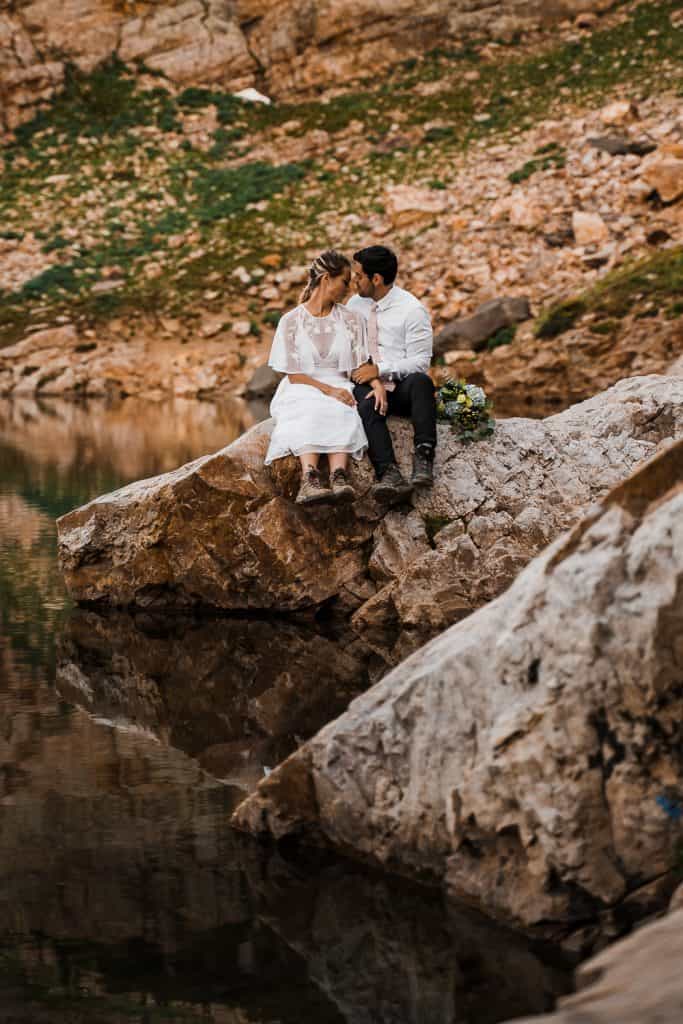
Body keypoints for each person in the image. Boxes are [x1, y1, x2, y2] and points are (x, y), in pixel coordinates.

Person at [265, 249, 382, 506]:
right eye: (344, 281)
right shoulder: (291, 320)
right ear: (326, 279)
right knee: (308, 406)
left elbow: (360, 363)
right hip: (302, 384)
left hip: (340, 381)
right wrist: (327, 390)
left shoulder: (351, 319)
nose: (349, 288)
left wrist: (376, 384)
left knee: (344, 407)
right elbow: (293, 374)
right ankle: (309, 479)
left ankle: (339, 477)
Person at [347, 245, 437, 501]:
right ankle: (388, 472)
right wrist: (373, 378)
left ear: (376, 279)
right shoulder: (354, 305)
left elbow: (420, 362)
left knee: (422, 382)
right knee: (365, 402)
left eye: (359, 276)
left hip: (401, 388)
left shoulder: (412, 309)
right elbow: (348, 348)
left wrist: (382, 370)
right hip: (367, 383)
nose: (354, 281)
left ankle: (424, 454)